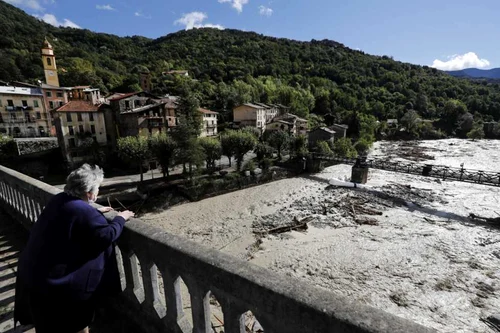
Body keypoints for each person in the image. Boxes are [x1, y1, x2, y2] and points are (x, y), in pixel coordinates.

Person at [14, 164, 135, 333]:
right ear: (90, 193)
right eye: (98, 188)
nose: (99, 191)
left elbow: (76, 219)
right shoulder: (82, 211)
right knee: (75, 325)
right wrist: (121, 218)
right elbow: (106, 235)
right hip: (57, 288)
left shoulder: (60, 199)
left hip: (33, 278)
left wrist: (95, 211)